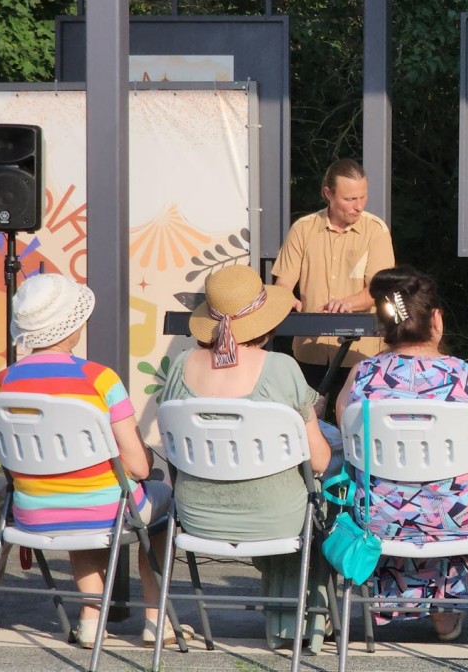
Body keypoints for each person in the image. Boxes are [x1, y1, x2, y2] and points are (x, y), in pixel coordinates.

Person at [0, 273, 186, 648]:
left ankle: (90, 620)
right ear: (73, 325)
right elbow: (138, 468)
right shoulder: (99, 379)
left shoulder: (4, 381)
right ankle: (155, 620)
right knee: (161, 502)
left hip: (32, 512)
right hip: (103, 510)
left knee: (80, 505)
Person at [160, 264, 333, 650]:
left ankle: (290, 618)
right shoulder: (282, 368)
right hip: (277, 516)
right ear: (264, 322)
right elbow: (318, 461)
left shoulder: (179, 368)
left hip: (197, 515)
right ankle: (306, 622)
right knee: (323, 490)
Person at [333, 265, 468, 641]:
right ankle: (447, 610)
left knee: (383, 489)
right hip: (457, 518)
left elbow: (348, 439)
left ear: (385, 326)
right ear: (437, 321)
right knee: (459, 491)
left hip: (379, 518)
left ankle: (385, 602)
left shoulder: (361, 375)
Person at [272, 158, 396, 397]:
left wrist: (347, 303)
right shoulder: (303, 228)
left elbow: (378, 289)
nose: (358, 206)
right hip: (310, 348)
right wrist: (286, 298)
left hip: (360, 352)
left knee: (356, 422)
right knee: (307, 421)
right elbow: (283, 284)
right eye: (350, 199)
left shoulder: (376, 230)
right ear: (328, 193)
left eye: (363, 197)